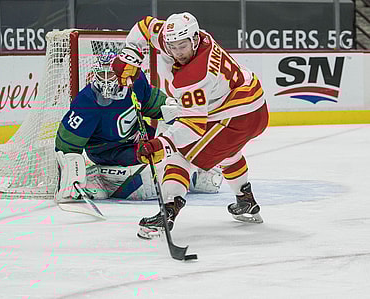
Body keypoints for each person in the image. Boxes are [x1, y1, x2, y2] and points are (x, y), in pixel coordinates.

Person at [112, 12, 269, 239]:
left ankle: (168, 211)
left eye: (182, 46)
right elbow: (144, 27)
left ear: (195, 39)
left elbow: (192, 128)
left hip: (239, 115)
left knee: (182, 154)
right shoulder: (173, 36)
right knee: (225, 151)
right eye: (172, 46)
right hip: (248, 102)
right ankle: (246, 201)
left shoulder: (196, 75)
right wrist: (130, 54)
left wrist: (161, 144)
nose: (178, 52)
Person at [54, 47, 222, 203]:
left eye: (111, 74)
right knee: (153, 176)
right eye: (102, 75)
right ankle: (100, 180)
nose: (106, 81)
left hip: (139, 137)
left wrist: (178, 115)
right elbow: (67, 145)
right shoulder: (87, 102)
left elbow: (157, 105)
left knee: (177, 129)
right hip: (109, 151)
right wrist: (71, 175)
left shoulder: (137, 81)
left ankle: (191, 170)